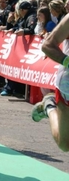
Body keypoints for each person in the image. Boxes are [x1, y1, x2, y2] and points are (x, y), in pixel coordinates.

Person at [32, 13, 69, 152]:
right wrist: (67, 62)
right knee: (65, 144)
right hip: (67, 86)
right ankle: (50, 106)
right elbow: (47, 45)